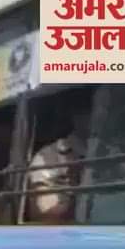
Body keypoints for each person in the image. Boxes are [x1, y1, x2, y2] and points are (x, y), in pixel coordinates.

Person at [27, 91, 91, 224]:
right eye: (90, 110)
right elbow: (45, 215)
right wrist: (79, 188)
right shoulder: (48, 157)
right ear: (76, 115)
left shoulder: (123, 150)